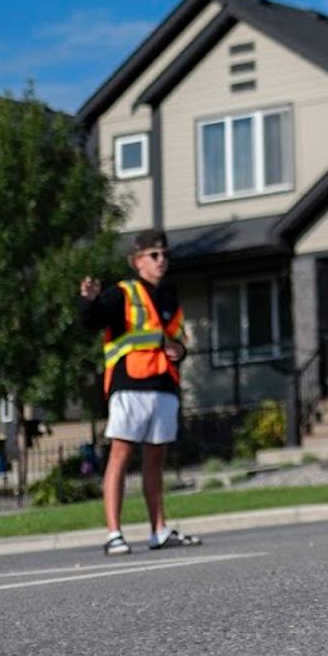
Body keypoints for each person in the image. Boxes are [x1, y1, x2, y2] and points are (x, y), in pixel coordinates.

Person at [79, 229, 201, 556]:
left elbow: (178, 340)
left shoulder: (169, 299)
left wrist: (179, 351)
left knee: (155, 460)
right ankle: (113, 534)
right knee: (120, 455)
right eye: (154, 255)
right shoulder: (122, 294)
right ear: (137, 261)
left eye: (164, 255)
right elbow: (92, 320)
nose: (162, 261)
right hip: (129, 385)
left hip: (162, 387)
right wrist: (89, 300)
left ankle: (159, 530)